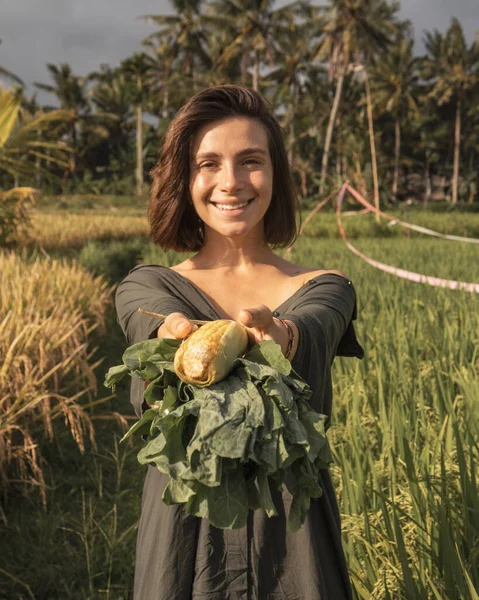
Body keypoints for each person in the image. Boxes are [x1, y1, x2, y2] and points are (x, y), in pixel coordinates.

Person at [115, 84, 364, 600]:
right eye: (208, 163)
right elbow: (150, 321)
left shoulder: (324, 287)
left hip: (291, 536)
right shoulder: (148, 285)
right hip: (185, 529)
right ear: (185, 179)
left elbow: (315, 324)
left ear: (275, 174)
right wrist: (176, 335)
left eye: (250, 160)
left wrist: (282, 336)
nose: (230, 182)